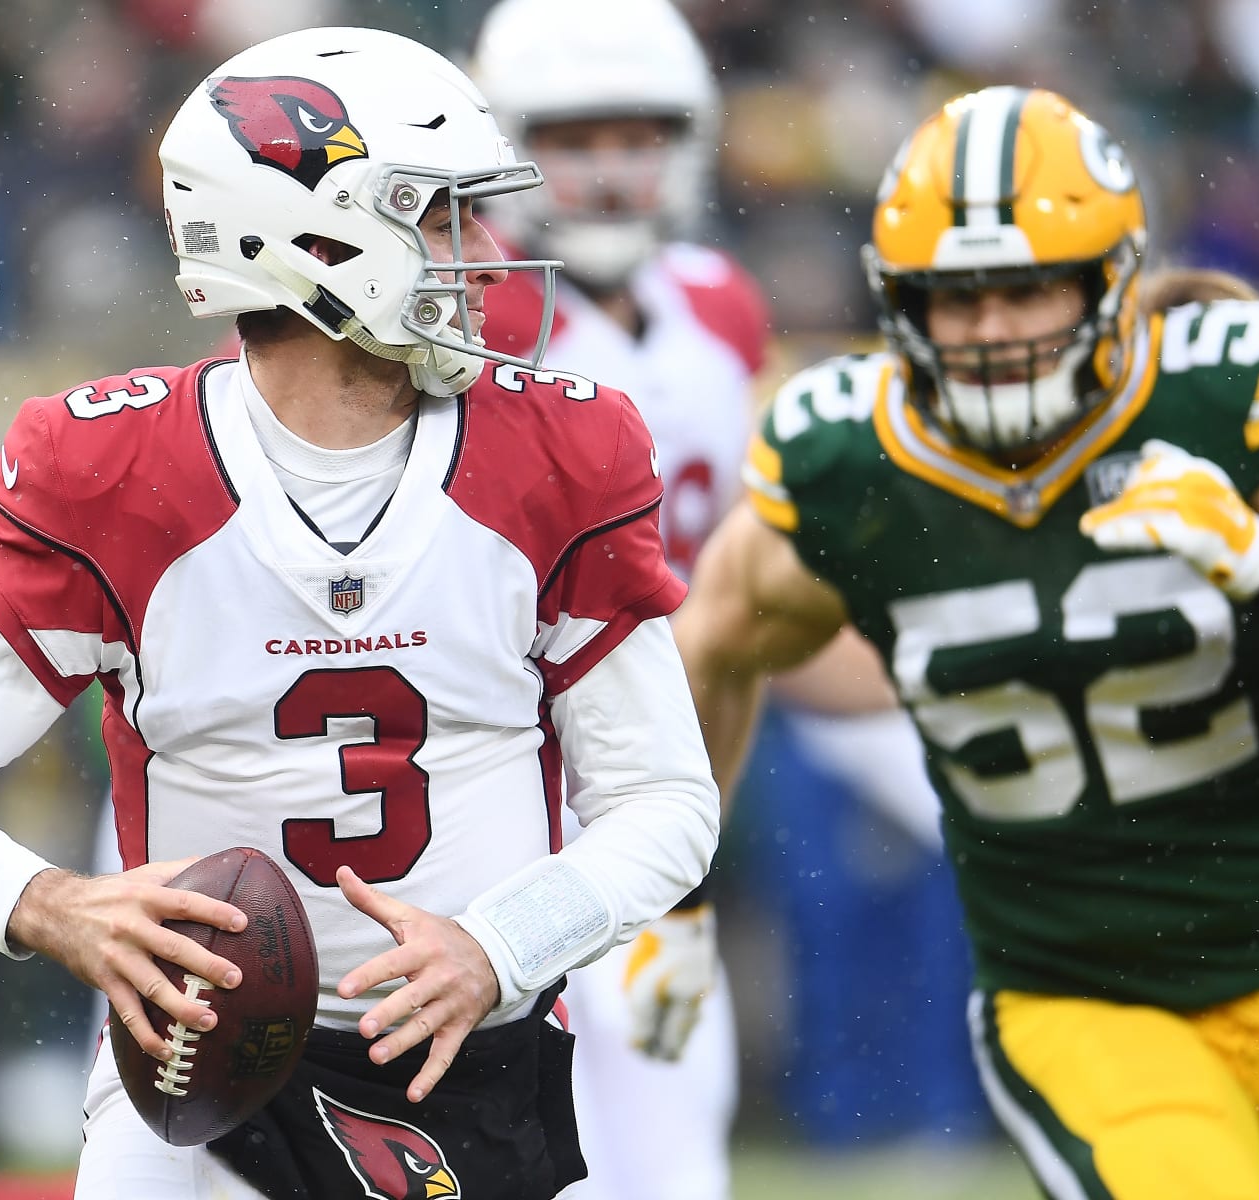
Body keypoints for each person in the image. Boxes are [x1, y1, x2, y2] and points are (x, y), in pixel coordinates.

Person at [0, 27, 718, 1200]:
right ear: (318, 237)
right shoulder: (117, 470)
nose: (488, 256)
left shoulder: (560, 451)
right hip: (201, 1084)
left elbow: (664, 802)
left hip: (471, 1074)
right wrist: (54, 907)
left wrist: (501, 946)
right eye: (441, 216)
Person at [672, 85, 1259, 1200]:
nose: (993, 330)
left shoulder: (1215, 395)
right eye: (955, 299)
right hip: (1084, 996)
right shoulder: (849, 464)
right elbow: (706, 650)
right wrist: (671, 900)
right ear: (900, 302)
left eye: (1025, 288)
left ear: (1111, 281)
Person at [467, 3, 756, 1198]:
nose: (608, 172)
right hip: (500, 791)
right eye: (573, 140)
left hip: (646, 787)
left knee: (675, 1139)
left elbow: (750, 578)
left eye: (637, 138)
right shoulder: (474, 316)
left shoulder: (720, 304)